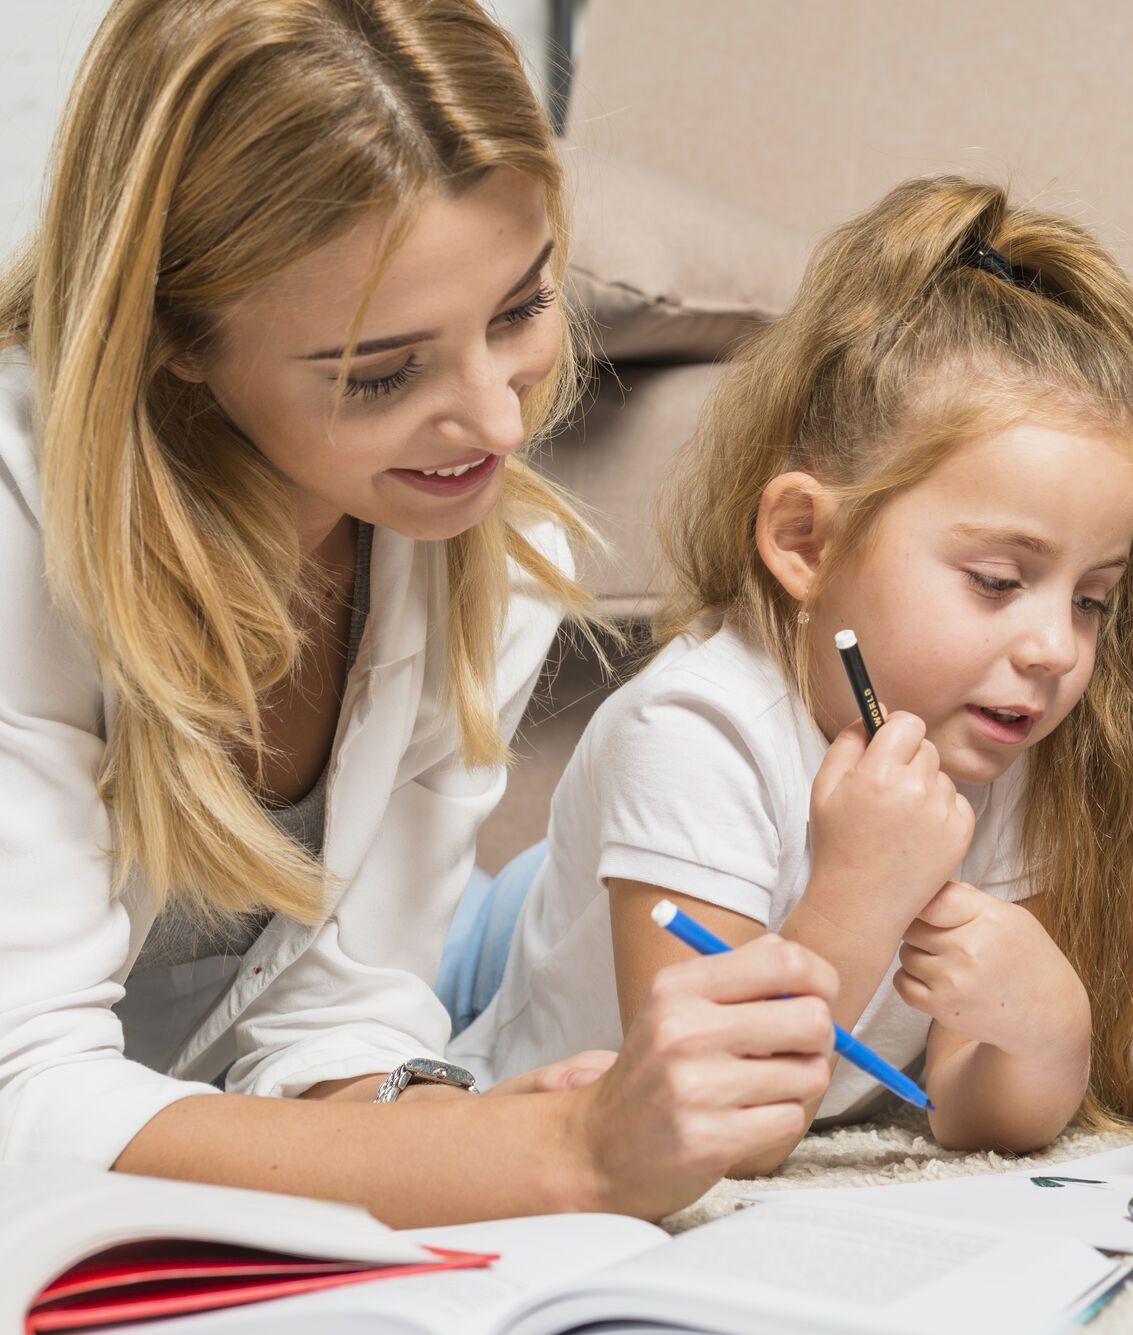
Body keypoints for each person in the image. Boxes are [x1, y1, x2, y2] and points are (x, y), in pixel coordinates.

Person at [0, 0, 837, 1226]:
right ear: (175, 334)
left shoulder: (473, 545)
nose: (499, 427)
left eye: (519, 311)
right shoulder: (23, 529)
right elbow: (22, 1101)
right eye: (382, 371)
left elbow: (333, 1009)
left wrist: (451, 1124)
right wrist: (566, 1158)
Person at [446, 176, 1133, 1167]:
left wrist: (1045, 1024)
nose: (1055, 648)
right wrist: (858, 890)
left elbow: (976, 1119)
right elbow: (713, 1128)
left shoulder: (990, 735)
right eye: (995, 580)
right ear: (805, 540)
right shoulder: (691, 732)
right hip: (555, 1069)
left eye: (1089, 598)